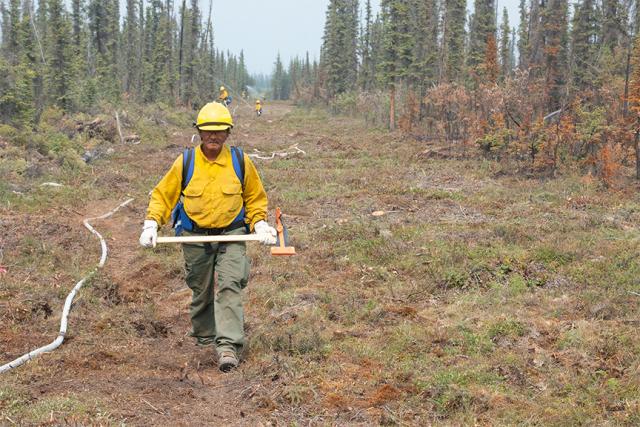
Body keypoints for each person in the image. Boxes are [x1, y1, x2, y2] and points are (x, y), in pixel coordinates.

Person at [139, 102, 277, 372]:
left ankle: (228, 347)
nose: (213, 137)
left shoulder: (240, 161)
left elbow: (255, 197)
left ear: (228, 133)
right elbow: (162, 195)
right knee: (200, 290)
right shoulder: (186, 162)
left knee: (229, 286)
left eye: (219, 132)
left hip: (232, 234)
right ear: (199, 132)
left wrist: (259, 223)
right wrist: (151, 224)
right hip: (194, 237)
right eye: (208, 132)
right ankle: (205, 338)